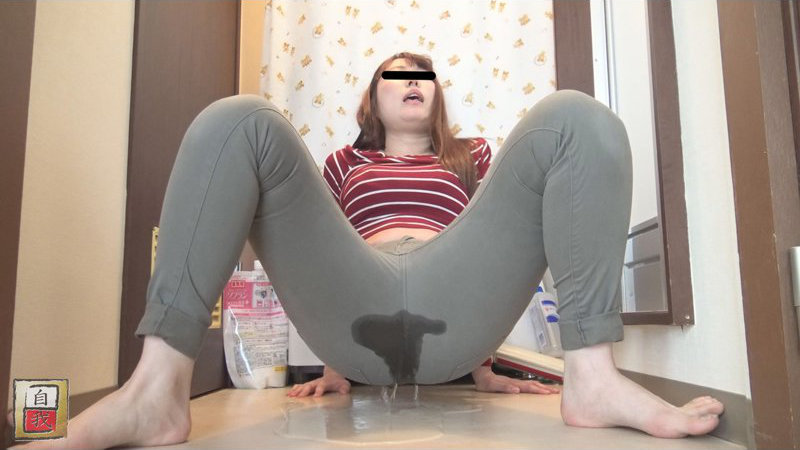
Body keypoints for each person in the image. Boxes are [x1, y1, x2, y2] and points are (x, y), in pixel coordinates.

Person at [10, 52, 724, 449]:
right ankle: (155, 391)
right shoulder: (343, 165)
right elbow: (313, 250)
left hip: (455, 306)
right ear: (370, 100)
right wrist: (333, 365)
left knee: (574, 117)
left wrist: (486, 363)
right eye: (396, 75)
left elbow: (498, 250)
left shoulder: (472, 156)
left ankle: (592, 380)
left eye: (424, 76)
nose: (412, 82)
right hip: (354, 315)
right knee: (240, 120)